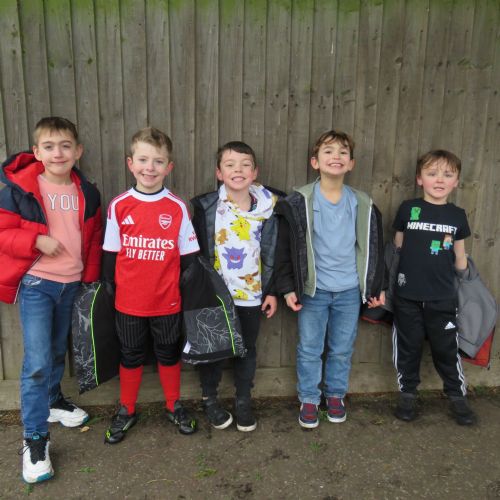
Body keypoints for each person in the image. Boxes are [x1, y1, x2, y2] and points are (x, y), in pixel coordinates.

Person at [0, 117, 103, 483]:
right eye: (49, 146)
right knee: (37, 361)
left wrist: (89, 280)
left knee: (58, 350)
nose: (58, 153)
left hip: (71, 284)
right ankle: (35, 439)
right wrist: (35, 241)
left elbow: (92, 238)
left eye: (65, 146)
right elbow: (2, 231)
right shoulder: (20, 189)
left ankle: (53, 401)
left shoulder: (87, 192)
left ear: (78, 151)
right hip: (37, 285)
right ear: (36, 152)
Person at [274, 130, 384, 429]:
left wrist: (375, 286)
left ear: (351, 163)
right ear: (315, 161)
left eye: (343, 152)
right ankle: (309, 398)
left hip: (349, 290)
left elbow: (373, 247)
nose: (336, 157)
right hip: (314, 290)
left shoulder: (362, 203)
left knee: (342, 348)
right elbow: (284, 250)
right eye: (328, 151)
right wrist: (287, 288)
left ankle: (335, 395)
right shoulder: (298, 202)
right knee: (310, 348)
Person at [102, 127, 199, 444]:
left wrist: (181, 291)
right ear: (130, 163)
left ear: (169, 167)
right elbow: (110, 253)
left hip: (166, 301)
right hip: (129, 302)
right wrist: (110, 289)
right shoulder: (119, 205)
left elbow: (189, 258)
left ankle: (173, 405)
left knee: (168, 353)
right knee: (130, 355)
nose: (150, 168)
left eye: (158, 161)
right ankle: (127, 409)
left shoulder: (177, 207)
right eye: (143, 160)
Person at [371, 150, 476, 425]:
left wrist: (465, 282)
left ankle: (457, 396)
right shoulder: (408, 209)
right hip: (407, 296)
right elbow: (398, 248)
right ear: (420, 179)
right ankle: (407, 394)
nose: (439, 180)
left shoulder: (457, 215)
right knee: (408, 347)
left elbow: (460, 256)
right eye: (432, 174)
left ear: (456, 181)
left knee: (446, 350)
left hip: (442, 298)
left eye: (447, 175)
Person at [190, 141, 281, 432]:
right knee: (214, 349)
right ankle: (210, 399)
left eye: (245, 165)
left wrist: (271, 291)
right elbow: (194, 252)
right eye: (230, 165)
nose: (237, 170)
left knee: (246, 349)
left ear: (255, 172)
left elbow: (274, 253)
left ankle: (243, 400)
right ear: (219, 173)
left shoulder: (270, 207)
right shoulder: (206, 207)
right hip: (214, 293)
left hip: (251, 294)